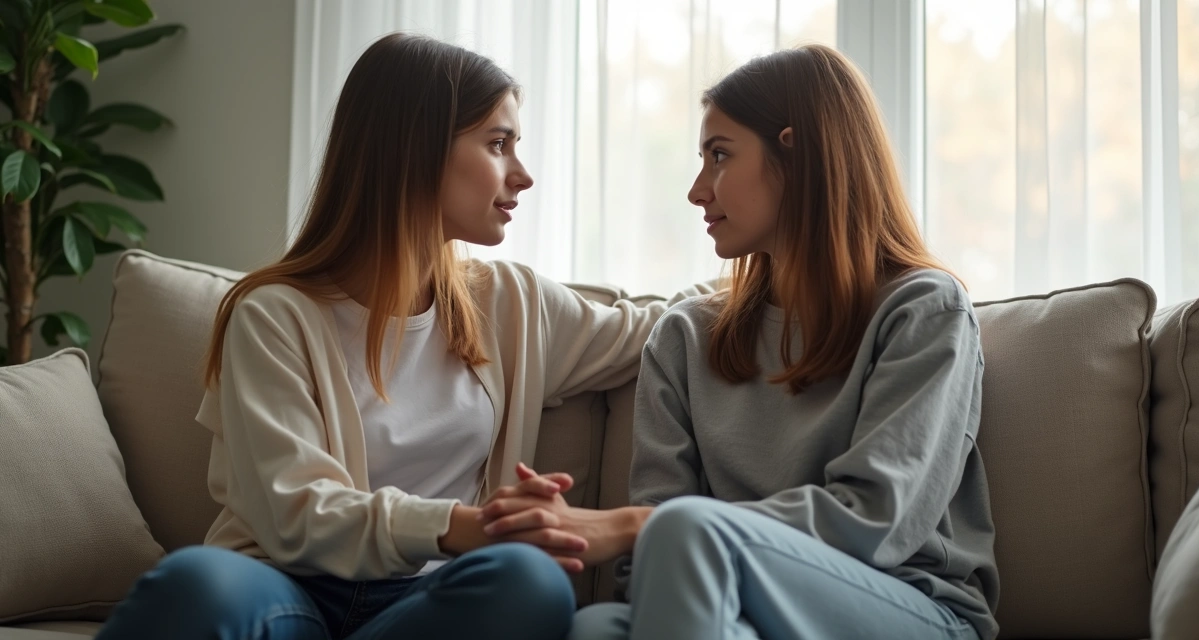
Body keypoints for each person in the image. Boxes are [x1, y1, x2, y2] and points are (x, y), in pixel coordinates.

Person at [96, 33, 706, 640]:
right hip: (287, 589)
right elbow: (293, 512)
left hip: (428, 601)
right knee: (195, 584)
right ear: (413, 149)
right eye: (498, 144)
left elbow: (665, 326)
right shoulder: (272, 316)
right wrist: (465, 525)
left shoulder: (511, 302)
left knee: (528, 580)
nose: (522, 175)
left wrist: (783, 259)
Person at [480, 44, 1000, 640]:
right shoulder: (684, 336)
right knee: (597, 626)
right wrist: (654, 539)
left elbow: (877, 523)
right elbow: (646, 560)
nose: (698, 191)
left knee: (684, 531)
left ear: (798, 155)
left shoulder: (924, 310)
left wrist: (630, 527)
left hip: (905, 605)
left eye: (719, 156)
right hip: (720, 601)